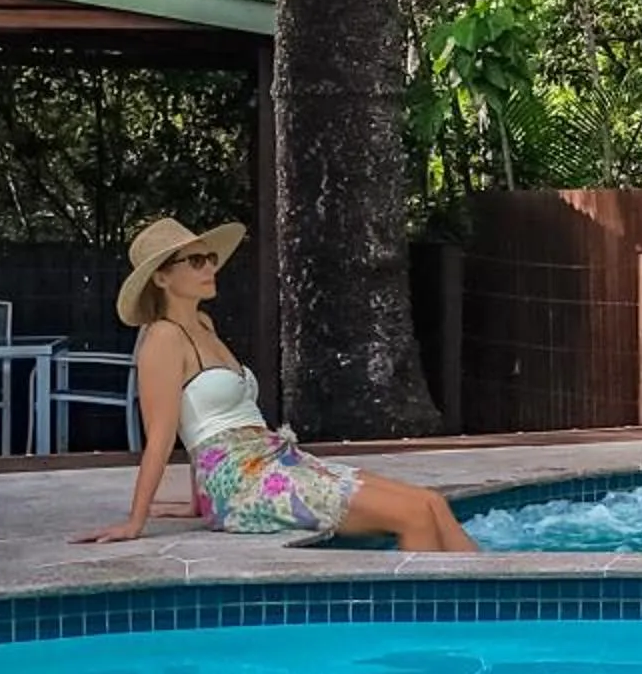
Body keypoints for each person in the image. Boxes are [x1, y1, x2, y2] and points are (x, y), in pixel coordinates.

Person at [74, 217, 478, 553]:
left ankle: (487, 616)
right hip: (243, 481)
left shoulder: (203, 326)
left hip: (272, 461)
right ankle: (422, 635)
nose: (210, 268)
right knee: (412, 516)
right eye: (196, 261)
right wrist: (136, 520)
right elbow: (163, 437)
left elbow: (206, 416)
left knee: (432, 503)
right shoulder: (162, 339)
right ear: (162, 277)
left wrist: (196, 500)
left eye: (210, 259)